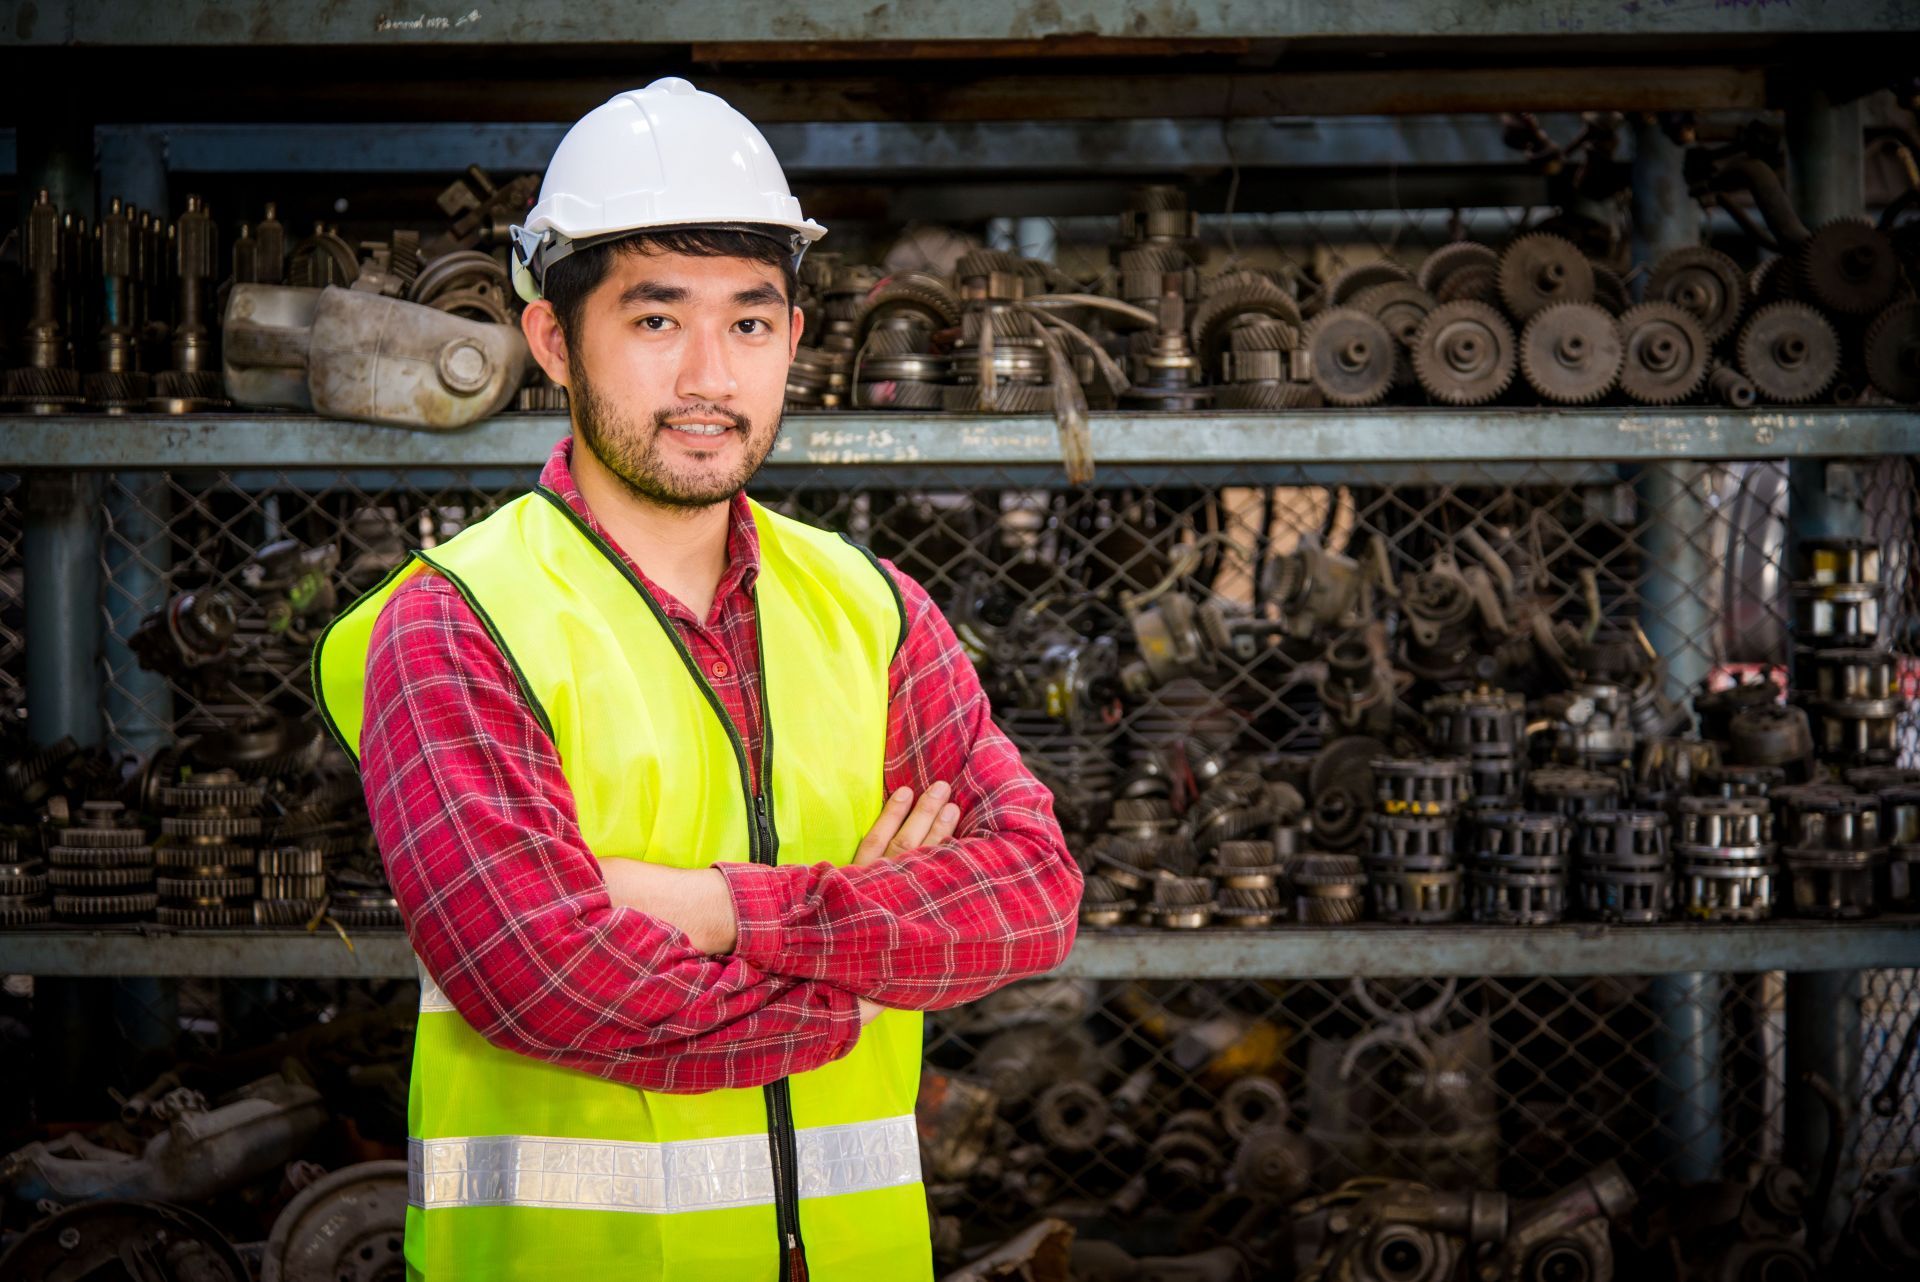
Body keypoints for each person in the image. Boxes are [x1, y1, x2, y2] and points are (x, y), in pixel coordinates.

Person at [312, 77, 1081, 1281]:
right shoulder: (458, 623)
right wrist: (866, 976)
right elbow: (544, 976)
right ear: (555, 340)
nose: (710, 378)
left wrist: (721, 910)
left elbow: (1033, 893)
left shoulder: (868, 609)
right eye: (657, 322)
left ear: (794, 339)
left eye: (752, 322)